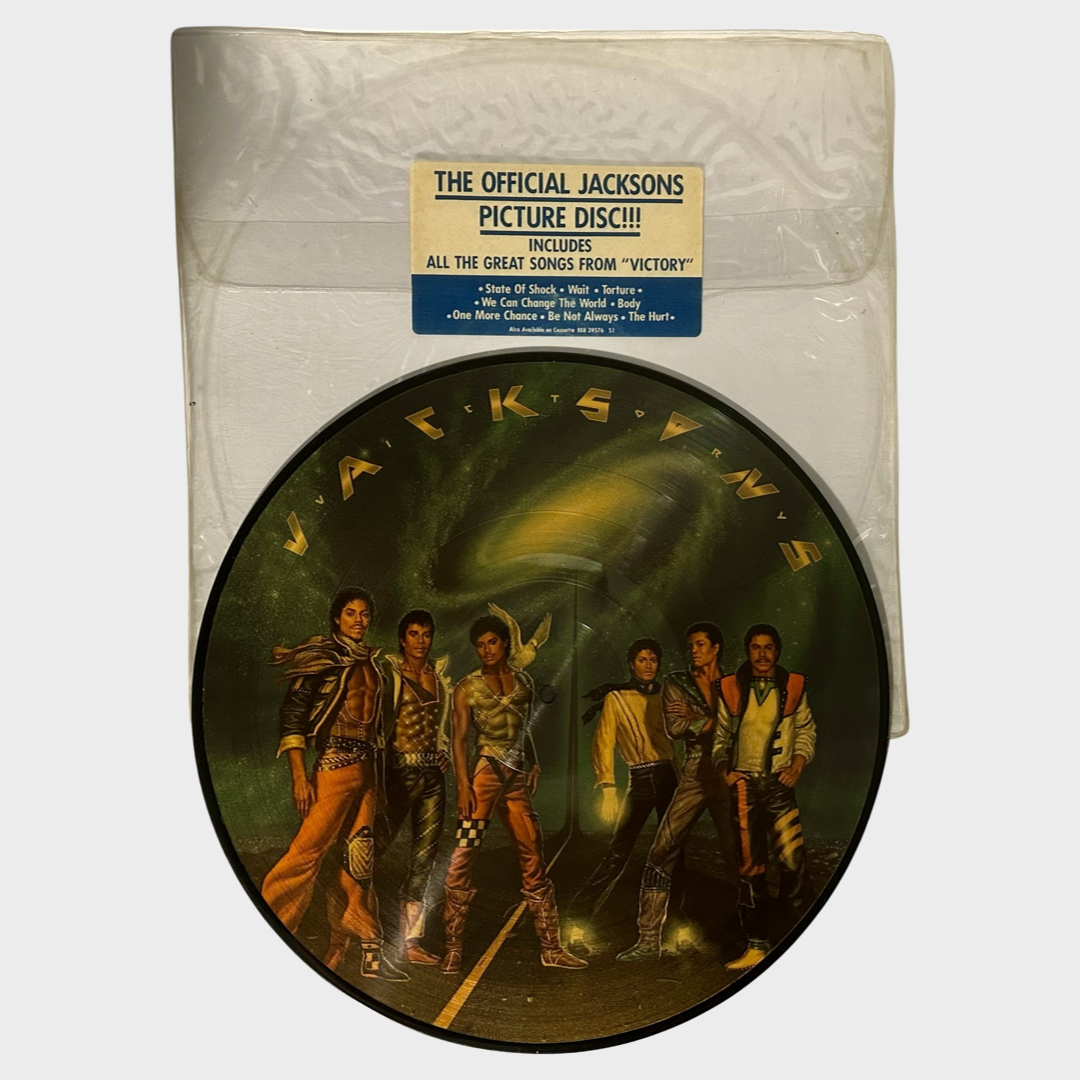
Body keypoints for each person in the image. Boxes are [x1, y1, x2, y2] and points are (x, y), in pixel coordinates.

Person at [259, 587, 407, 981]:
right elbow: (293, 716)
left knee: (359, 858)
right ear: (337, 618)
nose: (359, 620)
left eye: (364, 614)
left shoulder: (374, 664)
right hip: (334, 765)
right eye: (351, 613)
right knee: (306, 855)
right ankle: (267, 931)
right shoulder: (321, 657)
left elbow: (380, 723)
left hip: (367, 770)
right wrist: (298, 776)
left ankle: (356, 945)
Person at [440, 614, 587, 974]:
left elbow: (525, 726)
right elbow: (459, 740)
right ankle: (453, 949)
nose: (486, 650)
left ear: (505, 643)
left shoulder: (524, 681)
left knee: (532, 851)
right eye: (480, 645)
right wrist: (463, 786)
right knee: (464, 854)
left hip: (516, 778)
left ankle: (551, 948)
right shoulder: (467, 687)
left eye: (492, 642)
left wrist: (533, 761)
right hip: (485, 776)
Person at [617, 622, 737, 962]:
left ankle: (747, 933)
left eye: (700, 644)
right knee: (661, 850)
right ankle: (648, 940)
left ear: (716, 648)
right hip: (695, 771)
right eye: (691, 645)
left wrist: (703, 717)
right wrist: (716, 719)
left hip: (730, 770)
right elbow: (676, 727)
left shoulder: (734, 683)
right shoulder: (676, 682)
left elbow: (743, 724)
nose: (693, 650)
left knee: (738, 855)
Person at [716, 624, 816, 971]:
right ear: (747, 650)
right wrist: (725, 771)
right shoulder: (730, 687)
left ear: (777, 651)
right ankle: (756, 944)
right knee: (750, 867)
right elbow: (720, 737)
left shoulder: (794, 686)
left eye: (768, 647)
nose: (761, 654)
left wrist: (798, 763)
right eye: (755, 647)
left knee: (793, 862)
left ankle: (801, 940)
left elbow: (805, 730)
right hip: (744, 788)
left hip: (779, 788)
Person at [571, 638, 680, 917]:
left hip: (670, 777)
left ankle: (676, 915)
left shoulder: (667, 695)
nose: (649, 665)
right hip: (641, 777)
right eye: (642, 660)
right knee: (619, 850)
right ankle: (578, 912)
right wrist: (608, 786)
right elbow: (604, 742)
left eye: (653, 660)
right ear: (632, 665)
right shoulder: (616, 698)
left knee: (674, 849)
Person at [376, 609, 453, 965]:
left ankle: (410, 942)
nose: (421, 641)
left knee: (425, 859)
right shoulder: (389, 675)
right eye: (413, 634)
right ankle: (353, 926)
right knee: (373, 847)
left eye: (426, 634)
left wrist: (443, 751)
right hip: (397, 773)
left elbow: (441, 726)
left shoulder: (440, 677)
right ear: (402, 639)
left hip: (432, 778)